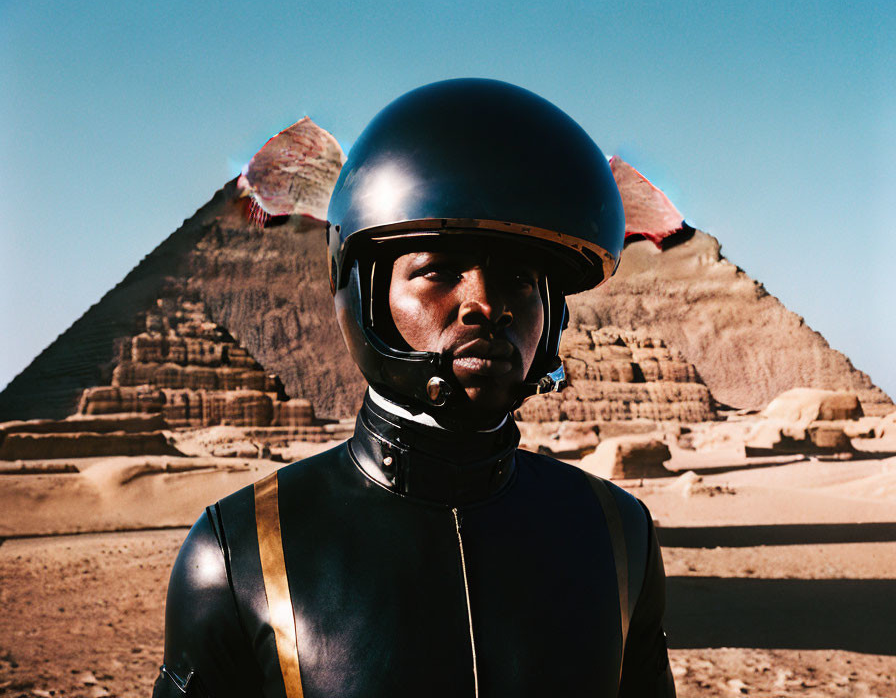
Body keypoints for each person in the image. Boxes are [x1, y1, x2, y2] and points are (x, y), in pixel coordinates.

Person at [153, 78, 676, 698]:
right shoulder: (238, 552)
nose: (485, 303)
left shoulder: (621, 537)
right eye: (437, 272)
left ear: (554, 313)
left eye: (516, 276)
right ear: (366, 294)